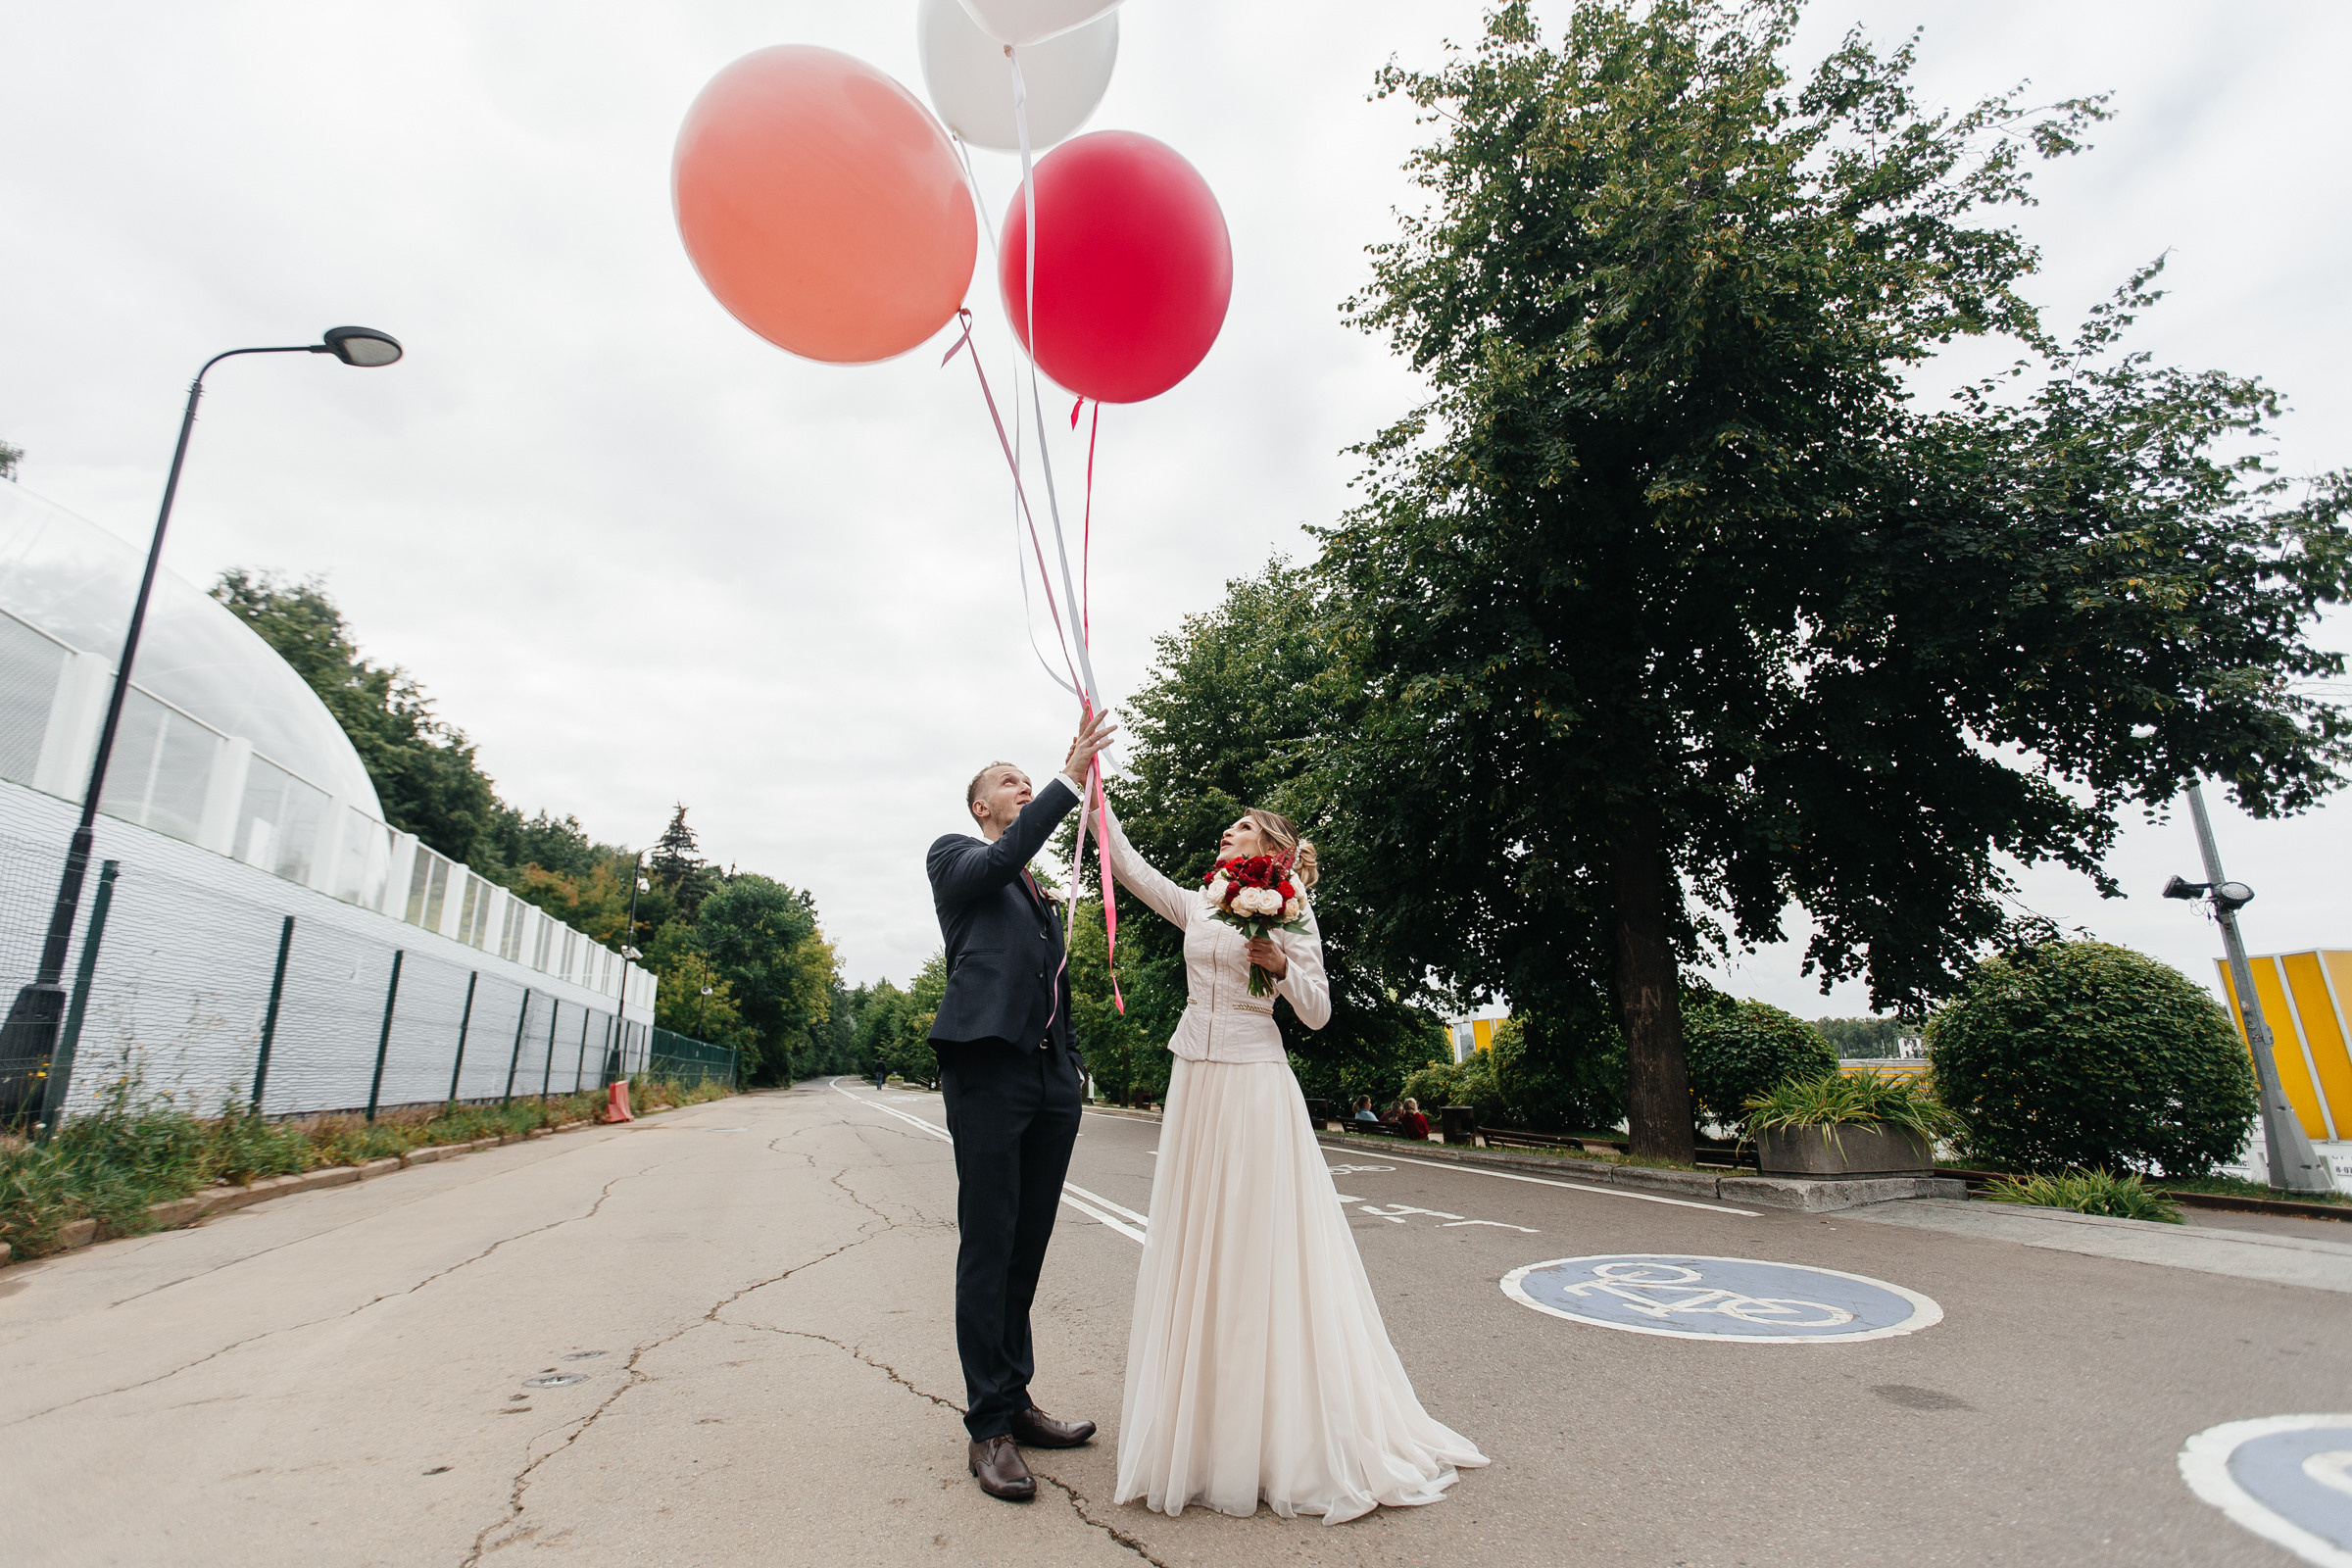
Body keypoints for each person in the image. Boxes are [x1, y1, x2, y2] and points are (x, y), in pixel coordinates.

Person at [1094, 788, 1487, 1522]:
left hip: (1254, 1082)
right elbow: (1128, 868)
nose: (1225, 830)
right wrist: (1093, 795)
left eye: (1238, 826)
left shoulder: (1291, 909)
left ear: (1268, 851)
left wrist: (1277, 962)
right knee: (1198, 1244)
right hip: (1195, 1080)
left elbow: (1317, 1010)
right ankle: (1205, 1436)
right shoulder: (1201, 902)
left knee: (1258, 1245)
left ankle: (1280, 1440)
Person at [926, 710, 1117, 1503]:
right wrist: (1069, 778)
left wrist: (1069, 1070)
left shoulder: (1034, 892)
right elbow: (1008, 855)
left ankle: (1018, 1399)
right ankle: (989, 1430)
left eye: (1027, 779)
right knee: (989, 1244)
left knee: (1026, 1249)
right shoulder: (958, 858)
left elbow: (1054, 979)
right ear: (981, 807)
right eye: (1008, 781)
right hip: (987, 1072)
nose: (1022, 785)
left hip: (1047, 1083)